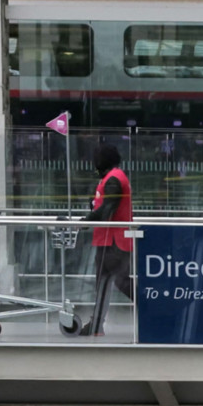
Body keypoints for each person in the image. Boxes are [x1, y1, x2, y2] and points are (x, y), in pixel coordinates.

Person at [71, 143, 133, 337]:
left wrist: (83, 222)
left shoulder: (113, 179)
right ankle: (97, 325)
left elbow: (106, 210)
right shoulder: (111, 178)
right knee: (111, 282)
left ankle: (153, 307)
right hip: (110, 239)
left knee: (114, 282)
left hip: (113, 241)